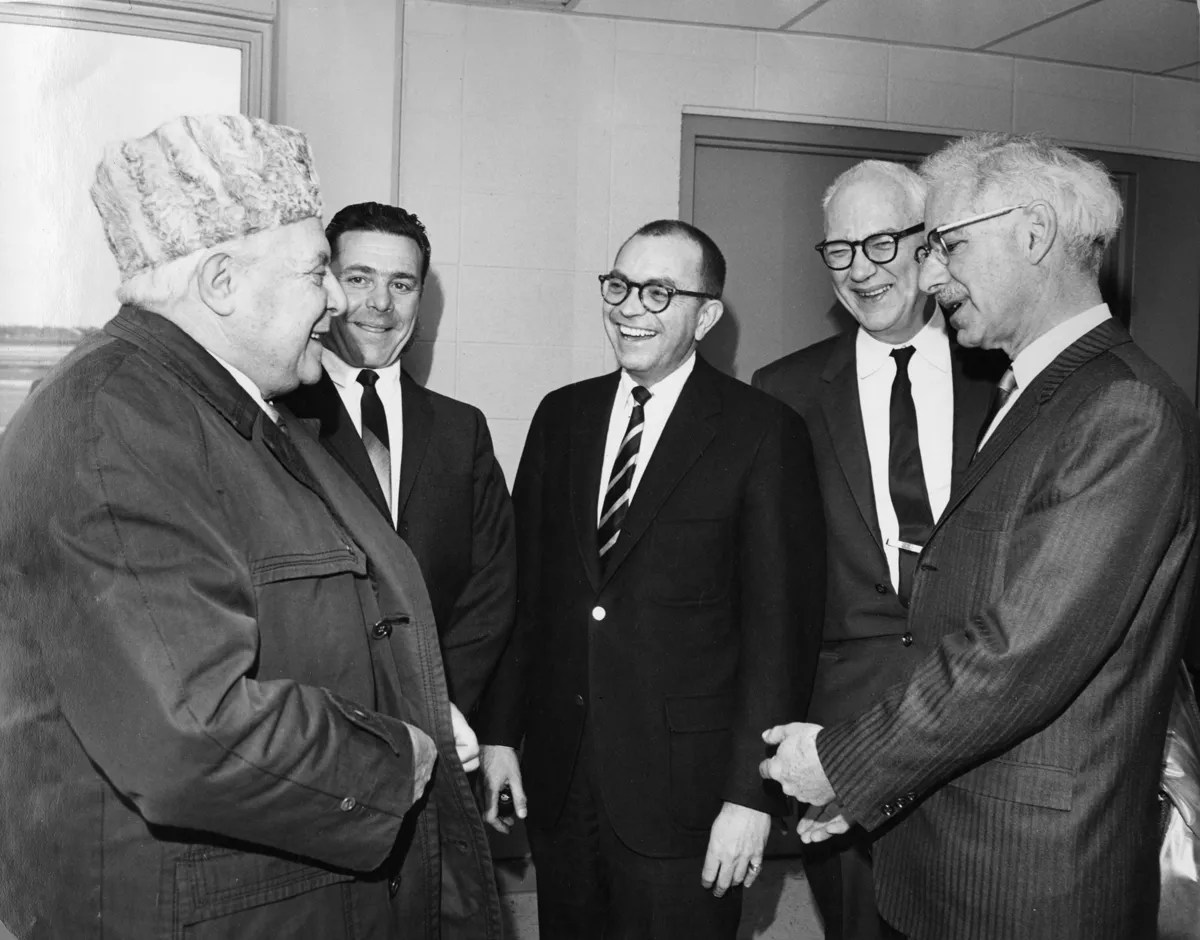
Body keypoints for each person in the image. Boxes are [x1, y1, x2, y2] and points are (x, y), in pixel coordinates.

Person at [0, 114, 501, 938]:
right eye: (316, 272)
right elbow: (190, 733)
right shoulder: (114, 423)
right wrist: (396, 758)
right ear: (222, 282)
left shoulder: (218, 406)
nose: (338, 300)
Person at [759, 133, 1200, 939]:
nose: (929, 276)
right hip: (955, 841)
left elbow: (1022, 650)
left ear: (1033, 234)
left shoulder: (1121, 408)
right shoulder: (1038, 391)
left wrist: (844, 765)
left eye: (949, 246)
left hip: (1028, 875)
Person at [475, 219, 826, 939]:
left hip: (689, 797)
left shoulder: (763, 432)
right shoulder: (560, 416)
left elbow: (779, 633)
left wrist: (750, 796)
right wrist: (501, 734)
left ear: (707, 315)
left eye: (659, 292)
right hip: (563, 781)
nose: (630, 308)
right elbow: (528, 597)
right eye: (620, 286)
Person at [752, 160, 999, 940]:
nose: (861, 269)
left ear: (931, 244)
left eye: (882, 242)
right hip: (842, 736)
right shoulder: (782, 391)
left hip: (982, 718)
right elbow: (765, 582)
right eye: (840, 249)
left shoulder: (1003, 375)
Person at [283, 202, 516, 718]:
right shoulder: (279, 416)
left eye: (402, 284)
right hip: (324, 719)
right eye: (359, 278)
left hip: (445, 717)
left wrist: (437, 707)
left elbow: (492, 590)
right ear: (327, 286)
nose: (381, 303)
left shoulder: (462, 429)